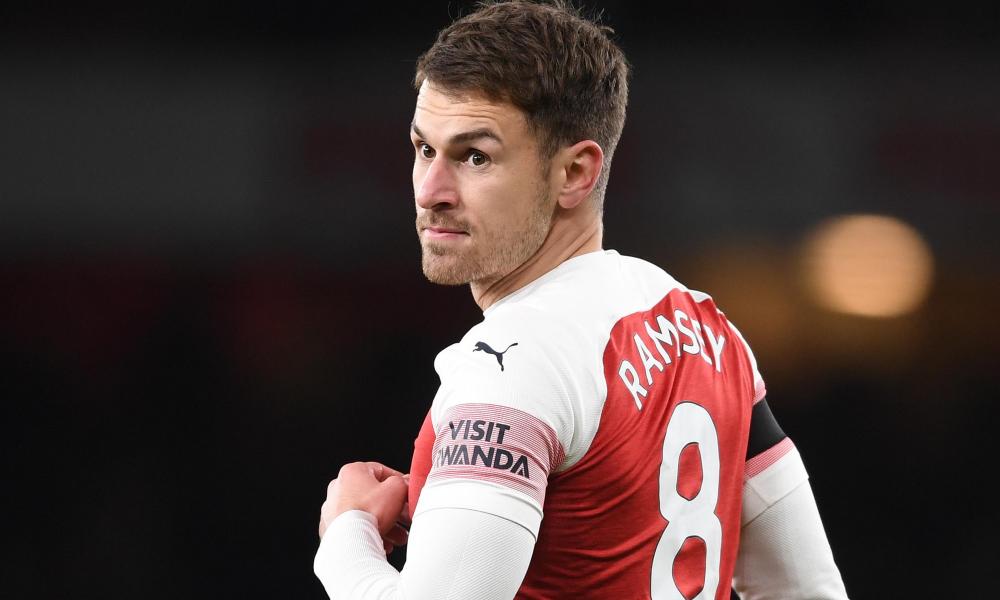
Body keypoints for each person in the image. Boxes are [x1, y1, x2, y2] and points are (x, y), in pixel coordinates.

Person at [314, 1, 849, 598]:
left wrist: (348, 530)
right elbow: (808, 591)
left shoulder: (514, 363)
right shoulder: (708, 329)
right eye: (424, 150)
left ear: (574, 173)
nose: (431, 191)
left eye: (475, 156)